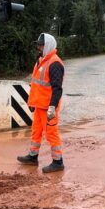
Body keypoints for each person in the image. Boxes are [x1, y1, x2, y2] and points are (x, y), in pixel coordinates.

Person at [17, 33, 65, 173]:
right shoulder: (41, 61)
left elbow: (57, 89)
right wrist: (32, 103)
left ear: (48, 45)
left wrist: (52, 107)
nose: (38, 47)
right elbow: (36, 85)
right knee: (36, 132)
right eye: (38, 44)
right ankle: (33, 157)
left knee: (51, 134)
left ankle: (58, 162)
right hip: (39, 106)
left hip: (48, 107)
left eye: (41, 45)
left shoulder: (55, 63)